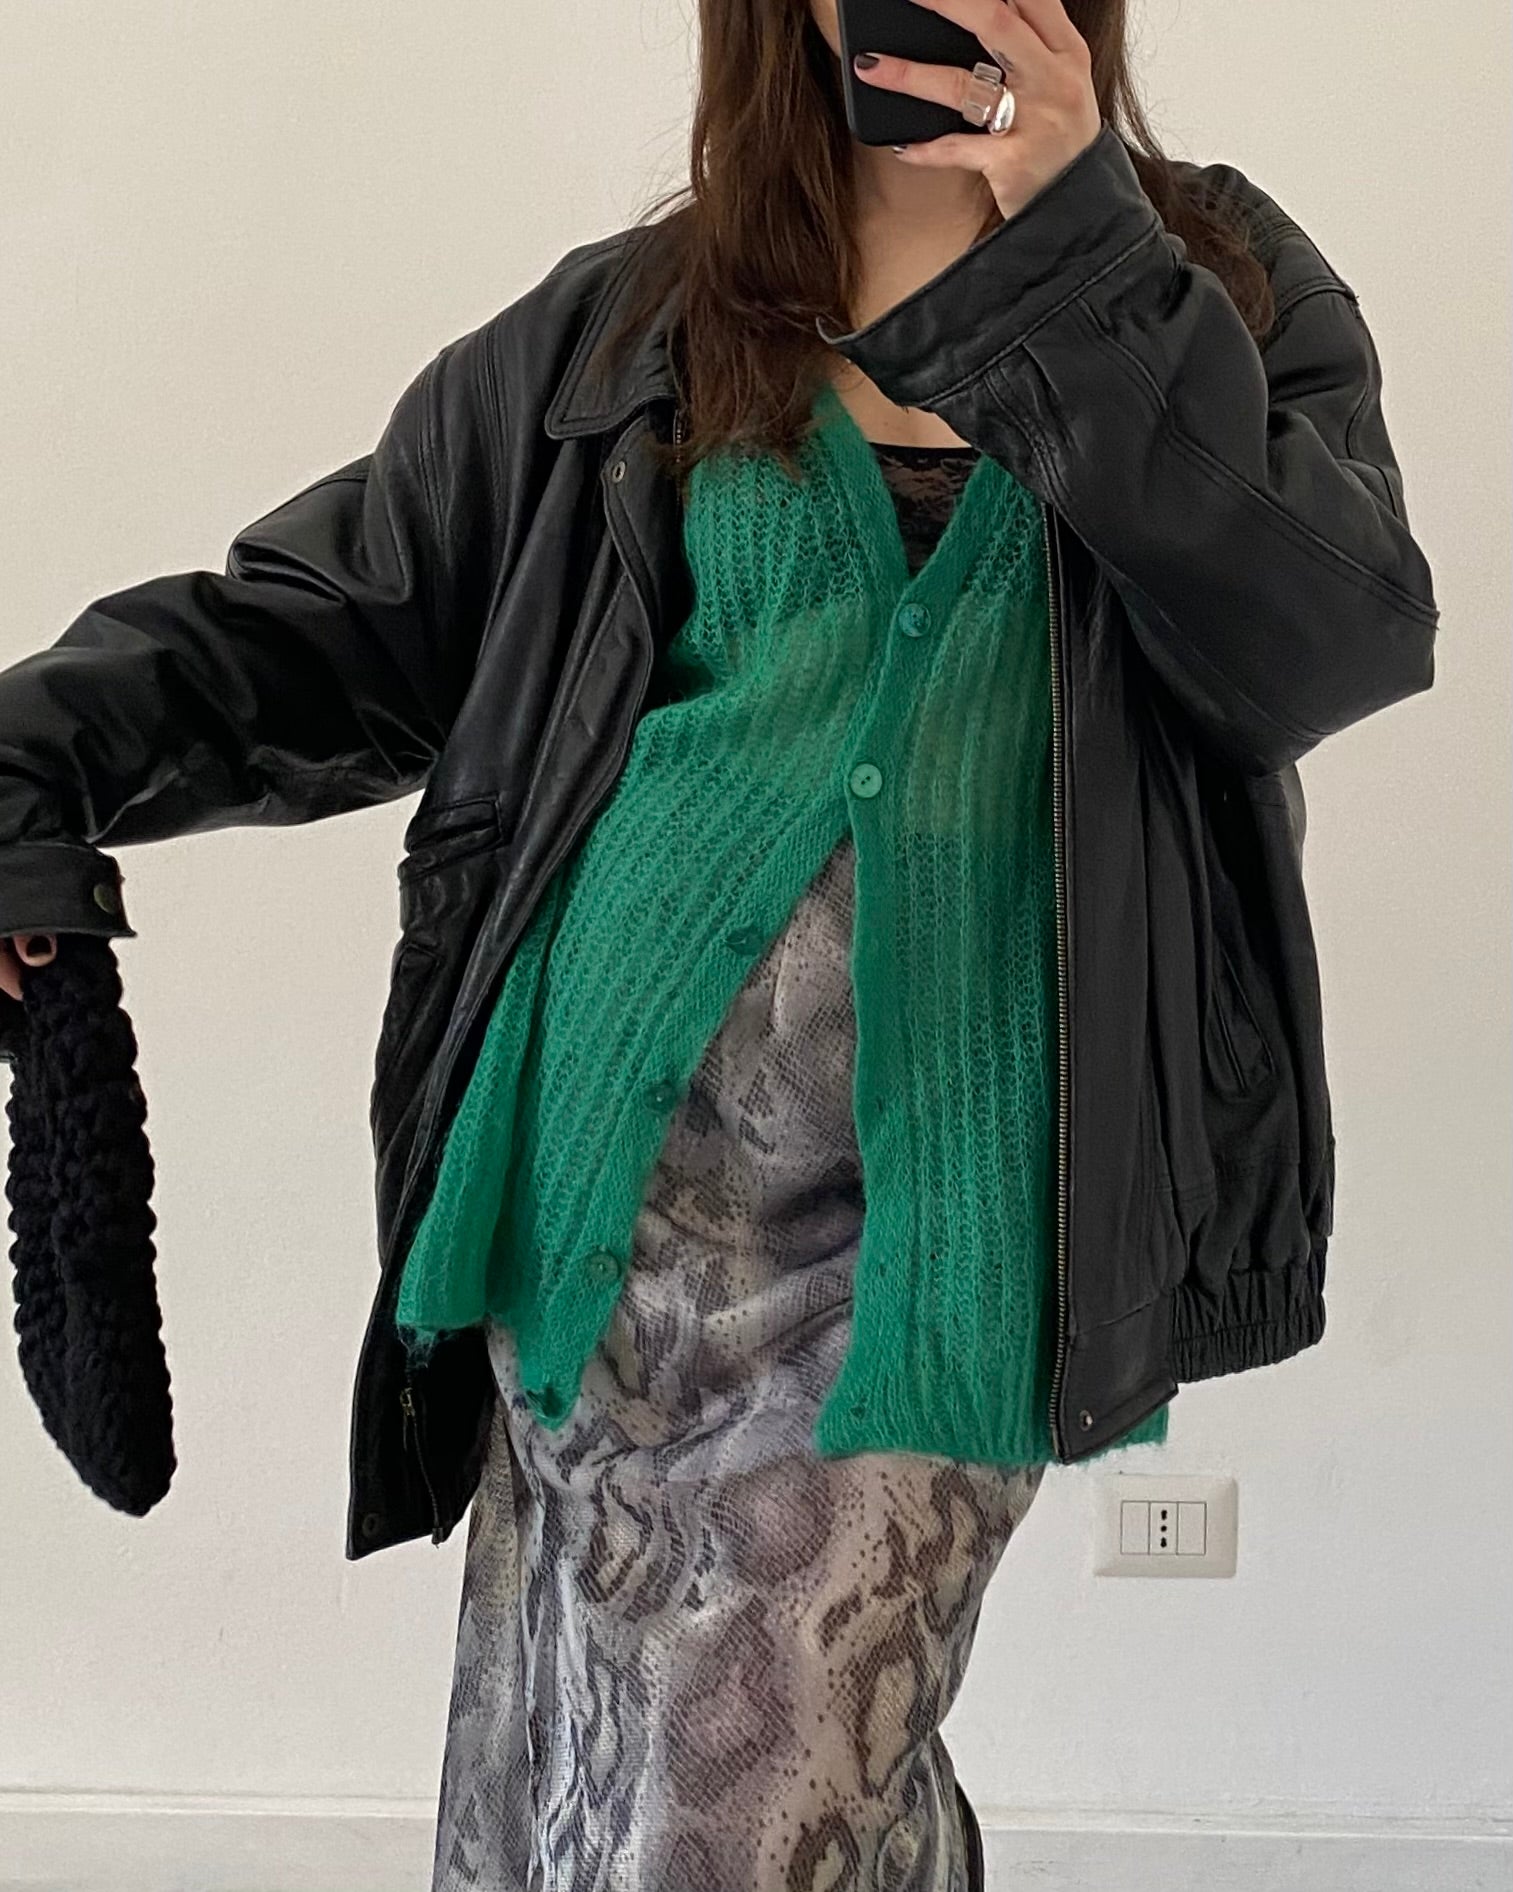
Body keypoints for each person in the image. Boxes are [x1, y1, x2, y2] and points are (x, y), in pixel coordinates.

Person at [0, 2, 1439, 1887]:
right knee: (565, 1783)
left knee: (743, 1821)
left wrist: (1077, 245)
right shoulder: (634, 326)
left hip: (944, 1244)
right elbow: (317, 630)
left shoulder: (1212, 281)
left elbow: (1327, 644)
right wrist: (27, 761)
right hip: (599, 1207)